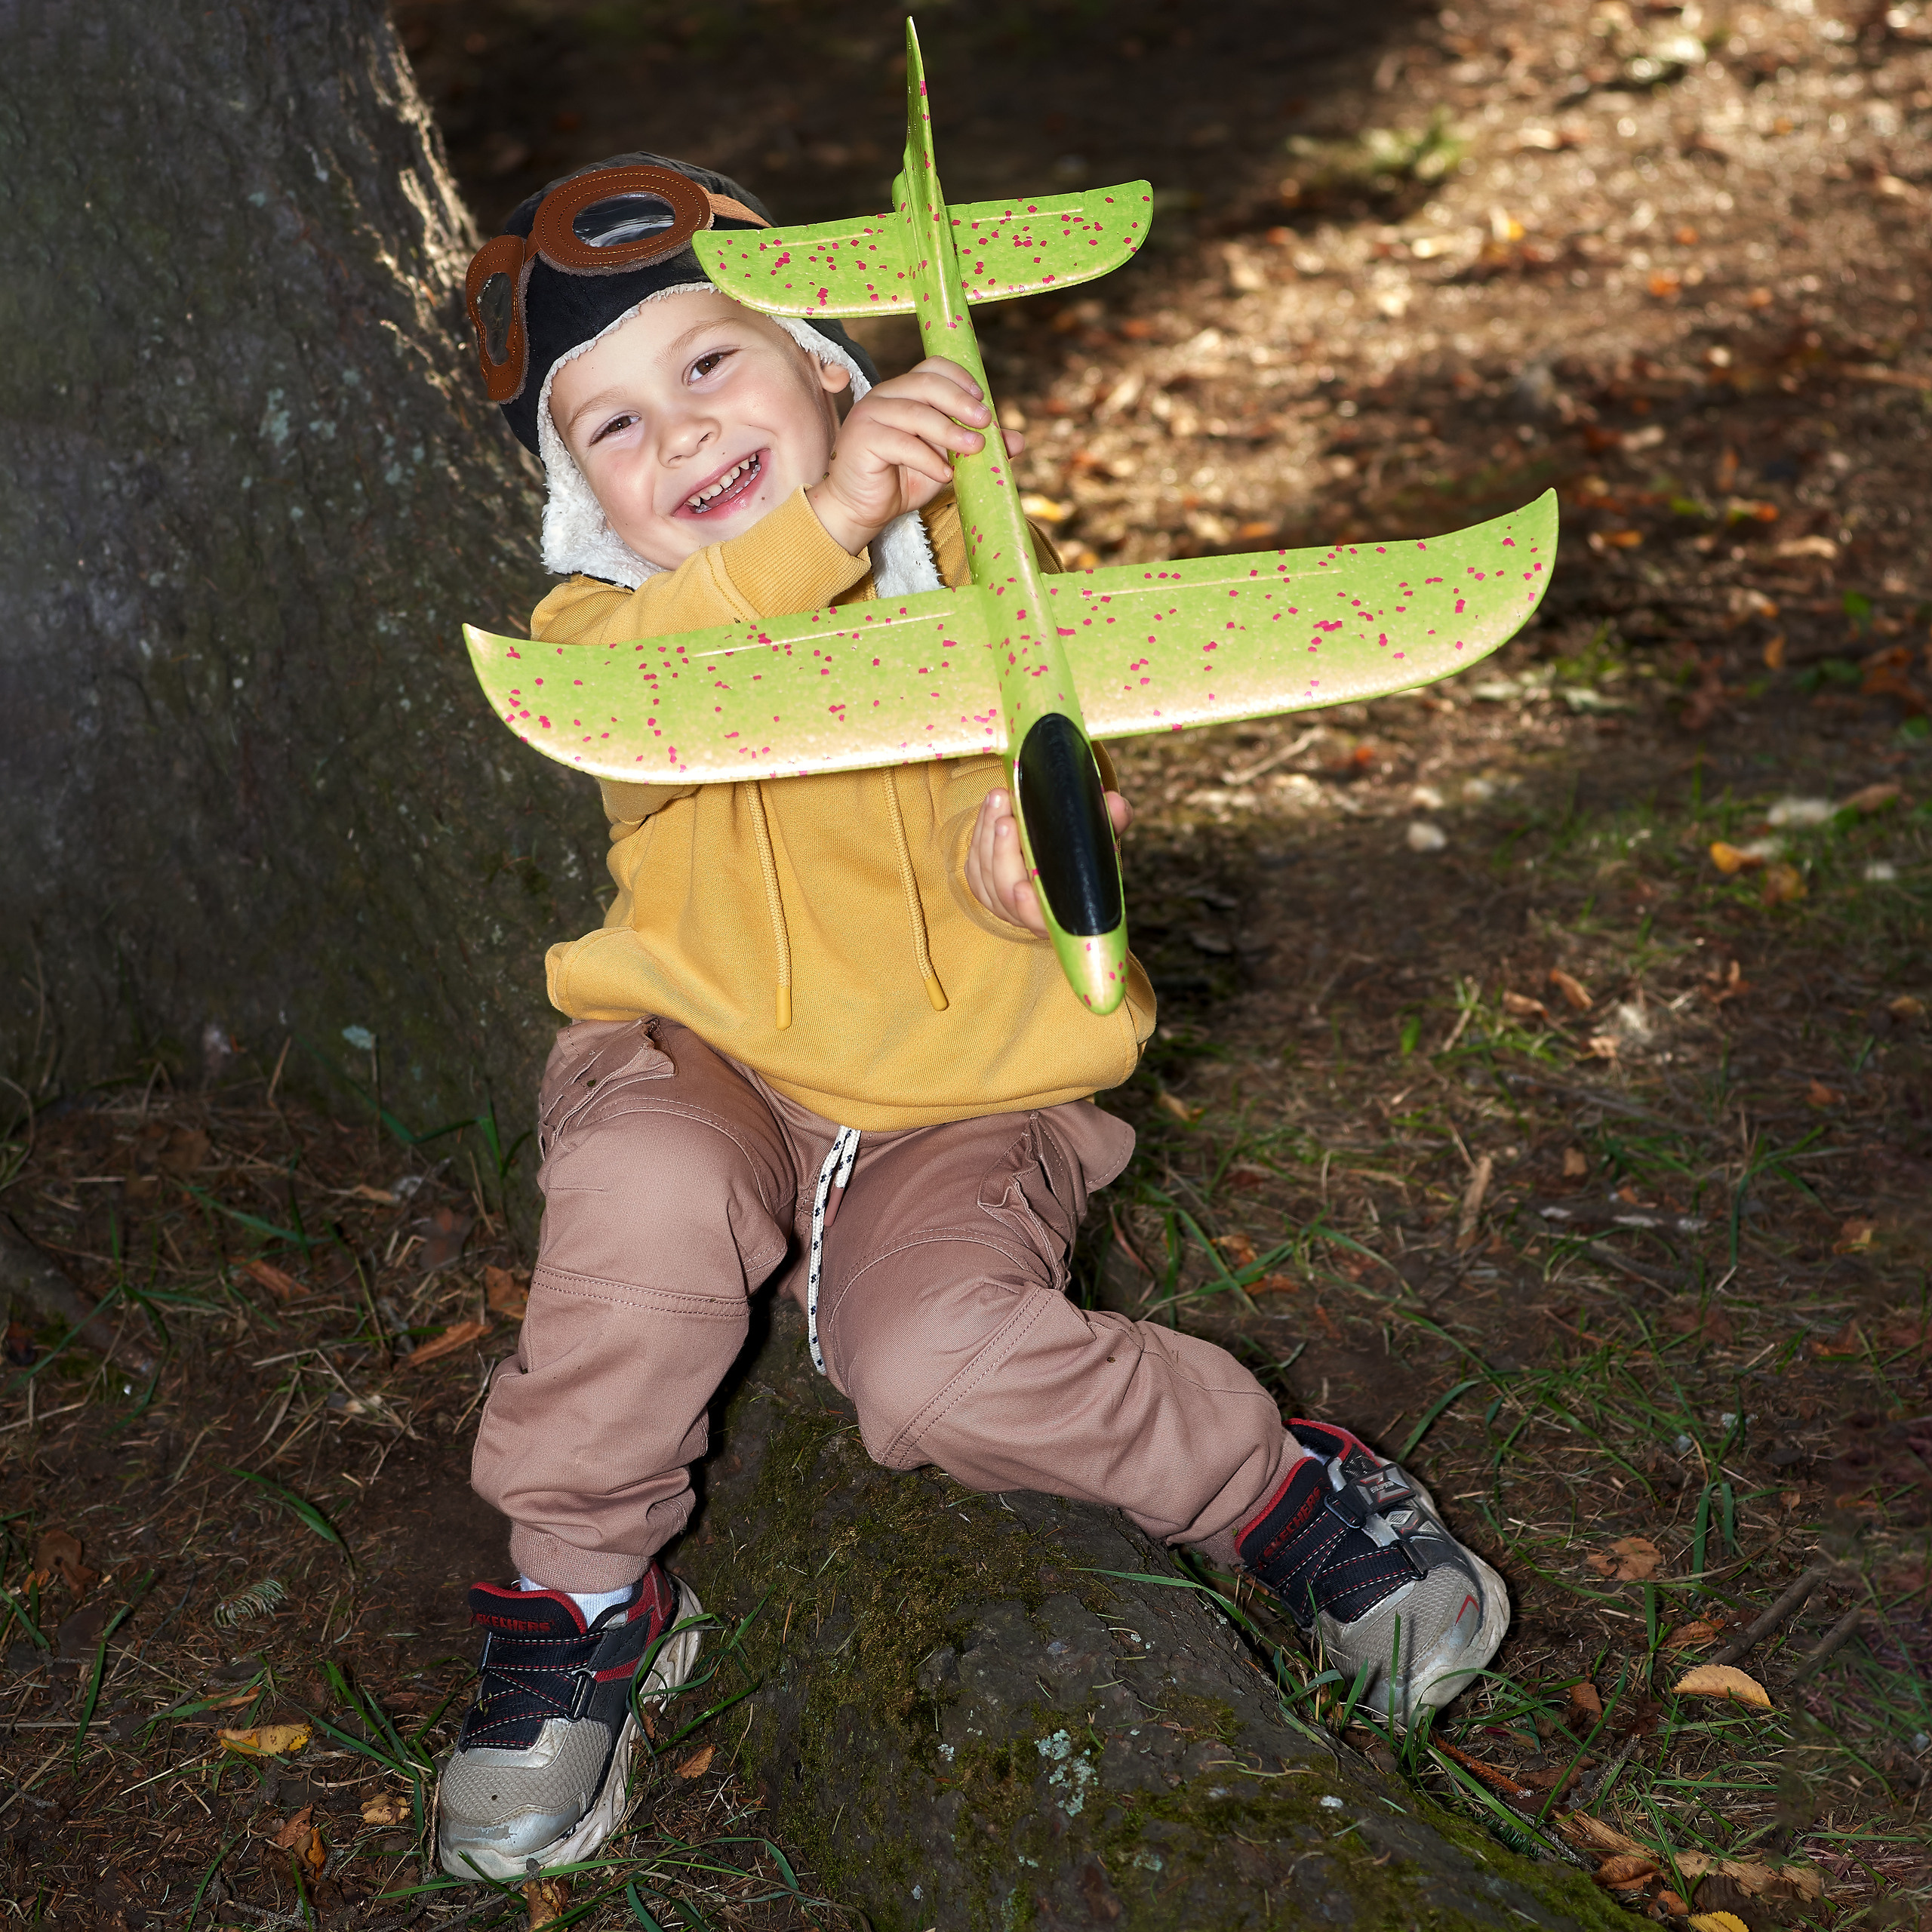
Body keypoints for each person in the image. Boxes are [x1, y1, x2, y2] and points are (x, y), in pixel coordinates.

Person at [435, 155, 1509, 1883]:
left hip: (961, 1104)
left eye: (711, 363)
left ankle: (1276, 1489)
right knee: (642, 1187)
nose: (680, 433)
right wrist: (825, 522)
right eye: (610, 429)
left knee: (935, 1369)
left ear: (828, 375)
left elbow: (1044, 837)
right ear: (584, 510)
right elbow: (685, 678)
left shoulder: (978, 594)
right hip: (702, 1062)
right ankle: (576, 1598)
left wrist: (1033, 889)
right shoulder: (608, 641)